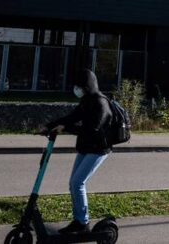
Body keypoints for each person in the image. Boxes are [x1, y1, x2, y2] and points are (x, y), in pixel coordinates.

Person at [41, 69, 112, 234]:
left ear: (87, 86)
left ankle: (82, 223)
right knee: (73, 183)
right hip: (86, 147)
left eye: (79, 86)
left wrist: (66, 128)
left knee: (77, 183)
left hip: (99, 149)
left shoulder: (101, 103)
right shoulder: (86, 101)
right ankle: (78, 220)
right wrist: (49, 125)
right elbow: (72, 117)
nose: (76, 89)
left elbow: (92, 128)